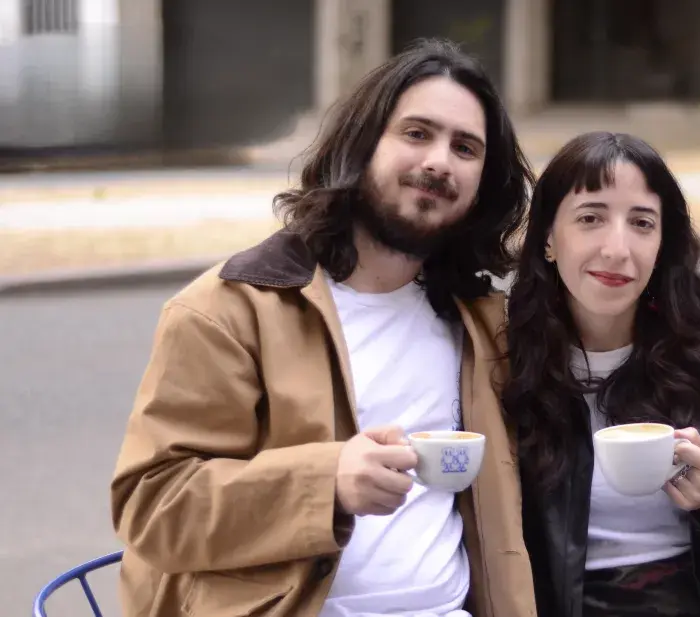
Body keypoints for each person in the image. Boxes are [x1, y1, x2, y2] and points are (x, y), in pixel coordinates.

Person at [110, 39, 538, 617]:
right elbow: (153, 506)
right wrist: (328, 481)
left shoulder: (479, 321)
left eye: (465, 148)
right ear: (362, 146)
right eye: (416, 133)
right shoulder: (230, 310)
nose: (439, 161)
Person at [500, 131, 700, 617]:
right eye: (590, 218)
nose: (617, 249)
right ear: (548, 238)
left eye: (641, 223)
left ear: (662, 245)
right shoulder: (500, 370)